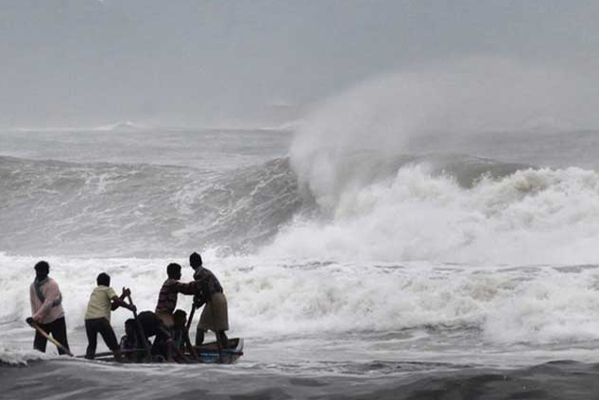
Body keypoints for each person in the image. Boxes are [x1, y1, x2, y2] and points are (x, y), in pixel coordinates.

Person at [84, 272, 136, 361]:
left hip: (88, 320)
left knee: (92, 346)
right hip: (101, 320)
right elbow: (117, 301)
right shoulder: (107, 289)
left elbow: (113, 307)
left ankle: (88, 364)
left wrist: (123, 295)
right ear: (108, 283)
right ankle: (120, 365)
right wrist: (129, 307)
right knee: (115, 347)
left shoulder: (95, 291)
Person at [28, 261, 70, 355]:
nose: (39, 275)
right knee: (38, 350)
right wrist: (34, 319)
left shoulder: (52, 284)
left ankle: (68, 363)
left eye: (42, 273)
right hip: (41, 321)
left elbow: (48, 304)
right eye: (38, 272)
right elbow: (33, 303)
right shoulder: (32, 286)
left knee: (62, 347)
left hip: (56, 319)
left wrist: (34, 317)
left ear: (47, 272)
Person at [189, 252, 229, 349]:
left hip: (214, 299)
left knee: (200, 328)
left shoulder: (198, 274)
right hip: (221, 298)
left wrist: (199, 302)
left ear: (191, 264)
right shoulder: (206, 271)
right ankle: (227, 349)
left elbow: (206, 292)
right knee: (219, 330)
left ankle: (198, 350)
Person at [155, 263, 198, 329]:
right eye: (179, 272)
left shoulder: (168, 282)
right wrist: (199, 283)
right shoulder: (172, 283)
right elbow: (186, 288)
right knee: (172, 327)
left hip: (164, 313)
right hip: (163, 314)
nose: (180, 274)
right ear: (174, 273)